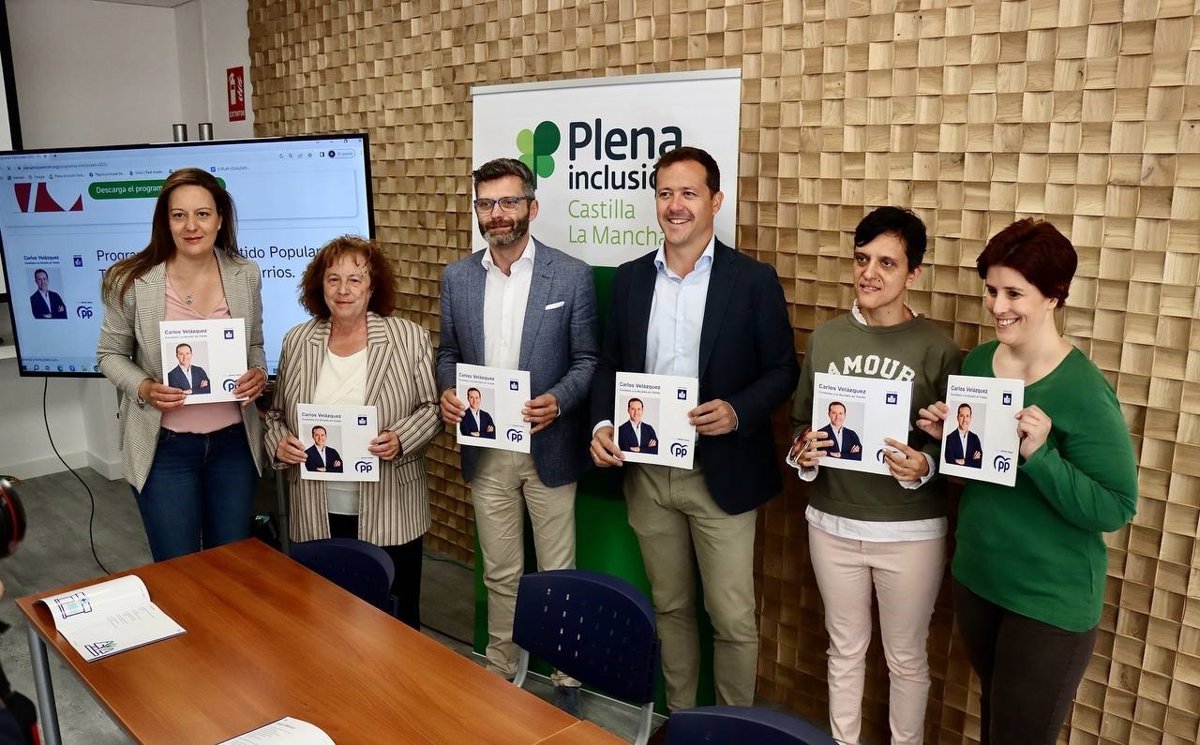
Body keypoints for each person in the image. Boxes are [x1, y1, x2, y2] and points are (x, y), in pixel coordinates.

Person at [590, 146, 798, 711]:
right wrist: (605, 422)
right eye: (665, 193)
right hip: (648, 473)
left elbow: (784, 370)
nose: (675, 205)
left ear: (715, 201)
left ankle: (731, 730)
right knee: (672, 608)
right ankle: (681, 721)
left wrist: (738, 410)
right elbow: (610, 364)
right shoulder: (632, 280)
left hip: (720, 473)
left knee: (731, 617)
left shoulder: (752, 280)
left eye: (688, 193)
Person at [916, 219, 1137, 745]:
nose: (997, 306)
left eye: (1014, 293)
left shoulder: (1083, 390)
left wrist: (1041, 456)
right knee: (997, 720)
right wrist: (947, 443)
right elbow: (978, 475)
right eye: (991, 290)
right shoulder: (977, 363)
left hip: (1048, 599)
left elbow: (1115, 507)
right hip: (979, 578)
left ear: (1054, 296)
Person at [789, 206, 960, 745]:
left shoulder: (938, 349)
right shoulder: (826, 339)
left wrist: (925, 464)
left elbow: (955, 448)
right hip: (831, 523)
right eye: (862, 259)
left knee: (906, 657)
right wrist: (804, 452)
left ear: (914, 273)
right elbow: (800, 422)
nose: (870, 273)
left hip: (909, 530)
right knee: (843, 650)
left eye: (887, 263)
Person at [438, 157, 598, 699]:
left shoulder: (570, 274)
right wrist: (448, 392)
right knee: (500, 570)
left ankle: (564, 670)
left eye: (509, 201)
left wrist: (559, 401)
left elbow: (587, 360)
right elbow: (449, 353)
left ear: (532, 206)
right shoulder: (458, 278)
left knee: (557, 570)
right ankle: (501, 662)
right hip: (486, 449)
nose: (498, 214)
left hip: (549, 446)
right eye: (486, 204)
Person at [266, 235, 441, 630]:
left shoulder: (407, 337)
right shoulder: (298, 340)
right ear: (320, 286)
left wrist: (401, 438)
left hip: (392, 507)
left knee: (393, 623)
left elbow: (431, 409)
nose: (343, 290)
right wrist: (279, 443)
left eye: (355, 279)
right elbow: (275, 415)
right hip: (317, 508)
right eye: (333, 279)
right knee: (324, 620)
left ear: (372, 287)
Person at [97, 168, 268, 562]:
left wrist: (258, 374)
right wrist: (143, 387)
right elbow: (109, 354)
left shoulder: (245, 275)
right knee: (179, 569)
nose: (192, 226)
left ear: (220, 219)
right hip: (165, 448)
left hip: (233, 445)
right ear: (166, 221)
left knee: (232, 564)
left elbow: (255, 344)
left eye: (202, 214)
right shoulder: (130, 279)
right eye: (179, 215)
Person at [944, 403, 982, 468]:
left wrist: (964, 462)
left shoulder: (975, 438)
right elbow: (950, 464)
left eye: (967, 416)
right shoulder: (949, 439)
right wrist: (972, 461)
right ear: (957, 417)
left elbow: (980, 463)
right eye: (962, 416)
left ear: (970, 418)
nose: (964, 420)